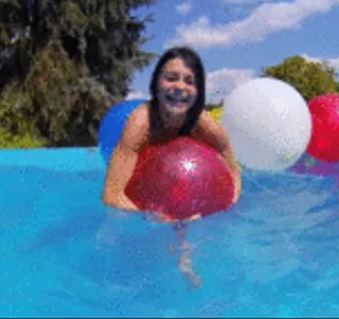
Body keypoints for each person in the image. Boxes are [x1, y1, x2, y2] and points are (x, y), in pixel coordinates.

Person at [101, 45, 242, 288]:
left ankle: (185, 262)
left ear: (198, 91)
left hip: (182, 185)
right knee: (110, 241)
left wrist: (219, 206)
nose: (180, 87)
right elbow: (112, 194)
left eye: (190, 81)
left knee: (188, 238)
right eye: (171, 78)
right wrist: (151, 216)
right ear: (156, 83)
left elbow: (233, 170)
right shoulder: (141, 124)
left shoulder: (205, 126)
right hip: (146, 189)